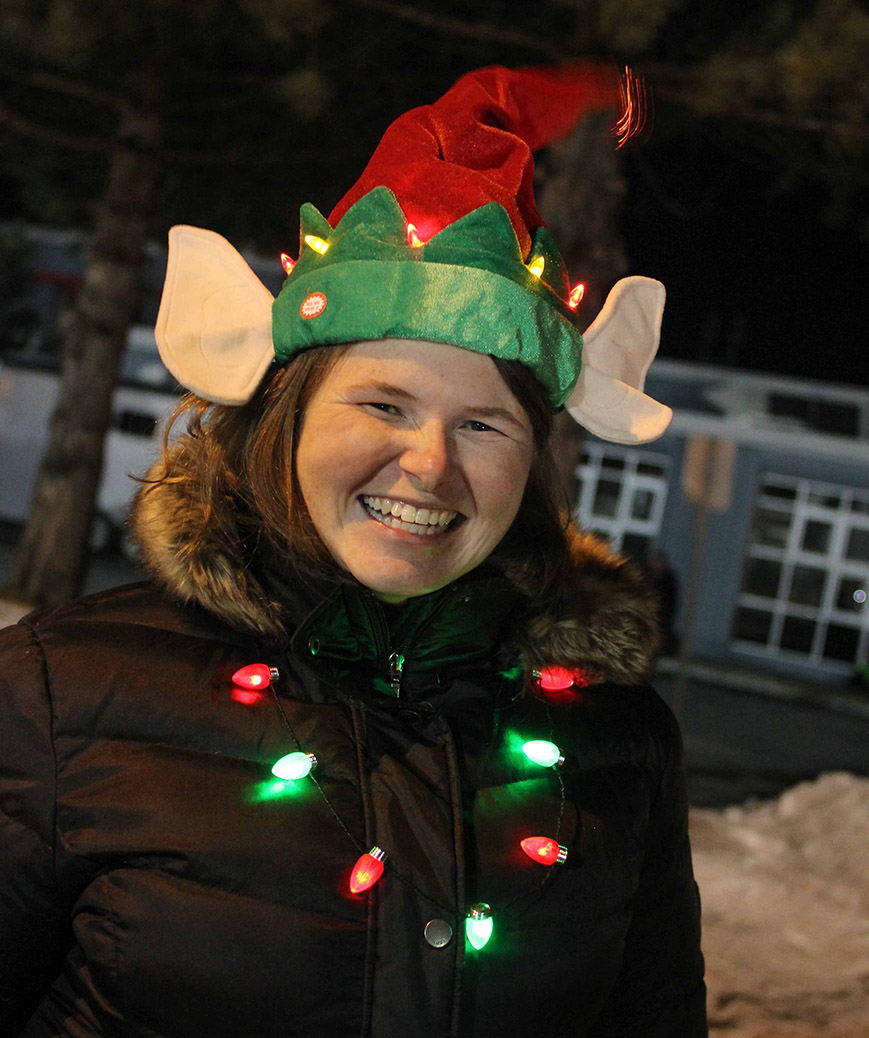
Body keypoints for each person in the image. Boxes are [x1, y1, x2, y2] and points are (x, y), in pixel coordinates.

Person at [0, 64, 706, 1037]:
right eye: (382, 404)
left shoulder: (619, 743)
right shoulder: (57, 695)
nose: (427, 464)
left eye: (483, 426)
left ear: (532, 464)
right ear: (284, 419)